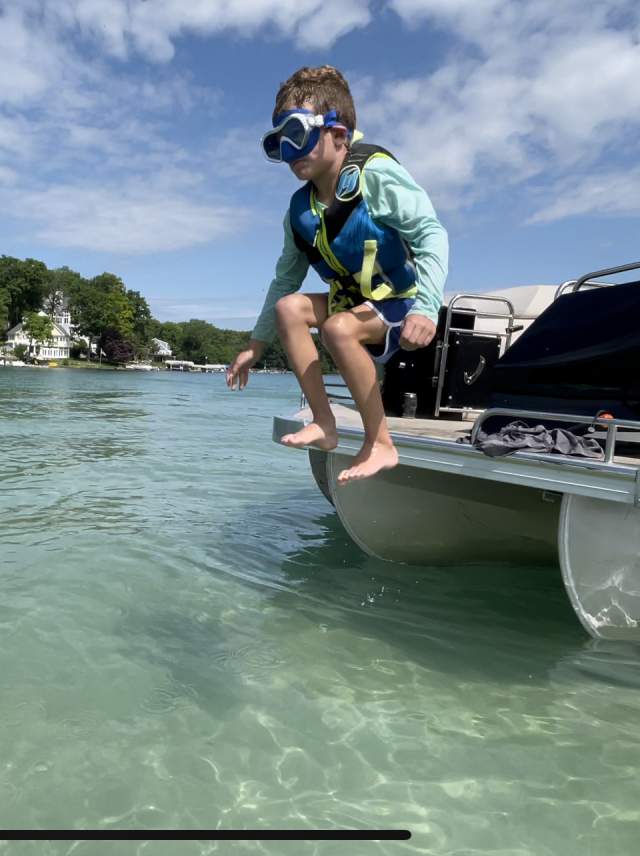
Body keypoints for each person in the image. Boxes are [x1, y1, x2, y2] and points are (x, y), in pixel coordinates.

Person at [226, 65, 448, 484]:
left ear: (339, 135)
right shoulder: (299, 211)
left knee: (339, 329)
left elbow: (430, 233)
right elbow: (284, 280)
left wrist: (427, 307)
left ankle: (381, 443)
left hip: (399, 303)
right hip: (353, 303)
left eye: (298, 135)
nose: (290, 152)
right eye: (280, 142)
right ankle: (325, 424)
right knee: (289, 308)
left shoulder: (375, 175)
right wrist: (255, 346)